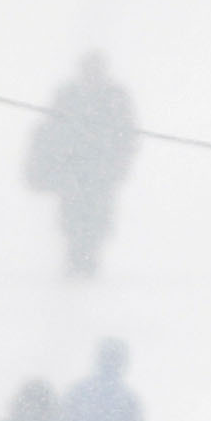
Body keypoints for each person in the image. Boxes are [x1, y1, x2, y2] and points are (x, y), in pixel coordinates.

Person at [26, 54, 138, 275]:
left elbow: (128, 134)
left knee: (96, 219)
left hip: (101, 170)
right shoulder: (68, 95)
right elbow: (51, 129)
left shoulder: (115, 96)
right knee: (73, 216)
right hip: (72, 167)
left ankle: (88, 258)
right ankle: (76, 257)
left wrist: (117, 162)